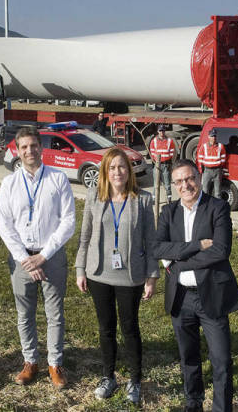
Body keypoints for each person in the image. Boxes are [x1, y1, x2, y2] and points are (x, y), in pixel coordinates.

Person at [150, 160, 238, 412]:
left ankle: (222, 408)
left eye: (189, 179)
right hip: (181, 298)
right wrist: (196, 245)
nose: (185, 185)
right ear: (173, 185)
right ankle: (193, 403)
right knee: (188, 357)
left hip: (211, 294)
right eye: (179, 181)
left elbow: (221, 250)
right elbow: (158, 248)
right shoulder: (168, 212)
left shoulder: (218, 207)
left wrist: (178, 263)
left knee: (221, 359)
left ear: (199, 178)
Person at [75, 147, 159, 404]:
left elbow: (151, 241)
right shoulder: (94, 196)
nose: (117, 172)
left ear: (129, 170)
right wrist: (80, 269)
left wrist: (152, 275)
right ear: (105, 171)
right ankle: (108, 376)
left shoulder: (142, 200)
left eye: (122, 166)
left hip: (130, 275)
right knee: (105, 328)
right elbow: (85, 236)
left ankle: (135, 380)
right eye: (112, 168)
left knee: (130, 328)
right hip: (99, 273)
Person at [0, 126, 76, 389]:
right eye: (23, 147)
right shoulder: (9, 184)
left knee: (55, 314)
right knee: (24, 314)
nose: (29, 151)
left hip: (51, 256)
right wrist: (24, 259)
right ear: (17, 151)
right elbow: (5, 226)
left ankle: (55, 363)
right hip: (21, 260)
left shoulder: (58, 178)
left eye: (33, 146)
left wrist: (43, 256)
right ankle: (30, 361)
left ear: (41, 148)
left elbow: (68, 221)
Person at [149, 125, 177, 202]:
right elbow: (152, 152)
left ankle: (169, 199)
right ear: (158, 131)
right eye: (160, 131)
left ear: (165, 131)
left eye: (163, 131)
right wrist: (155, 161)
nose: (162, 132)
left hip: (166, 165)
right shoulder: (154, 141)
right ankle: (154, 200)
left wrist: (168, 161)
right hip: (157, 165)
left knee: (167, 184)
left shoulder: (169, 141)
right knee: (156, 184)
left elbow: (172, 152)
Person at [197, 130, 226, 199]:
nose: (213, 138)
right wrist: (201, 170)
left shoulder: (220, 146)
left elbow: (223, 158)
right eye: (212, 136)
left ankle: (217, 208)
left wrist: (219, 166)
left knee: (218, 192)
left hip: (217, 171)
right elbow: (199, 158)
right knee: (205, 190)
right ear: (208, 137)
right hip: (207, 171)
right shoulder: (204, 146)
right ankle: (205, 207)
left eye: (215, 136)